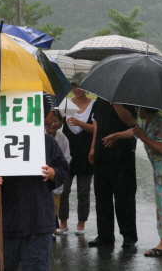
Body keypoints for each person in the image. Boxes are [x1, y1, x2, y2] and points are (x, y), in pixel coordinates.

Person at [0, 97, 69, 271]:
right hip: (7, 218)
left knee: (37, 266)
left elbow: (63, 169)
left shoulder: (47, 142)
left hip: (39, 218)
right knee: (5, 265)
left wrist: (52, 173)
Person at [102, 105, 162, 257]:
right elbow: (133, 131)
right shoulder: (148, 121)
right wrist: (116, 135)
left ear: (146, 109)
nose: (137, 111)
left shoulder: (160, 123)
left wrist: (143, 137)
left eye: (139, 109)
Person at [87, 97, 138, 248]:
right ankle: (104, 235)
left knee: (124, 196)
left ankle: (129, 236)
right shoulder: (100, 100)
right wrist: (93, 147)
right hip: (102, 153)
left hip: (123, 155)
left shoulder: (128, 97)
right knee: (102, 196)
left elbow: (131, 122)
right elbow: (96, 124)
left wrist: (116, 102)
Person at [58, 72, 95, 235]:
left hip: (86, 153)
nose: (76, 89)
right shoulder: (65, 104)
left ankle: (81, 223)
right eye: (73, 85)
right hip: (67, 153)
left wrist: (80, 123)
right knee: (63, 189)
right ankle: (63, 222)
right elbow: (55, 123)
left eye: (79, 85)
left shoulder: (94, 105)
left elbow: (96, 129)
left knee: (83, 190)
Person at [47, 110, 72, 236]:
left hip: (55, 178)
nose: (53, 124)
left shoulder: (62, 138)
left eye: (56, 121)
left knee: (55, 205)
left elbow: (66, 159)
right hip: (41, 178)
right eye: (50, 121)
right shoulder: (38, 136)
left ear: (61, 123)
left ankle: (52, 229)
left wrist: (55, 171)